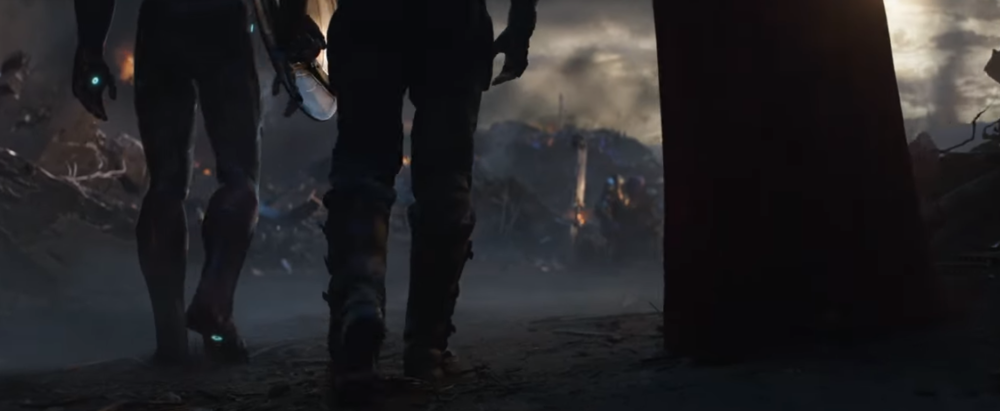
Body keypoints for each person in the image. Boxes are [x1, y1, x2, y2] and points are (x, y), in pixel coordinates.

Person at [71, 0, 321, 365]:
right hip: (224, 24)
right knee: (239, 177)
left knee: (165, 185)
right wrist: (291, 31)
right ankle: (214, 305)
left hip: (159, 25)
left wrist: (90, 49)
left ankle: (170, 340)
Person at [316, 0, 538, 405]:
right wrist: (521, 23)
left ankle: (360, 305)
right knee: (445, 180)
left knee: (364, 172)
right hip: (454, 21)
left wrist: (291, 20)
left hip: (367, 20)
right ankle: (427, 350)